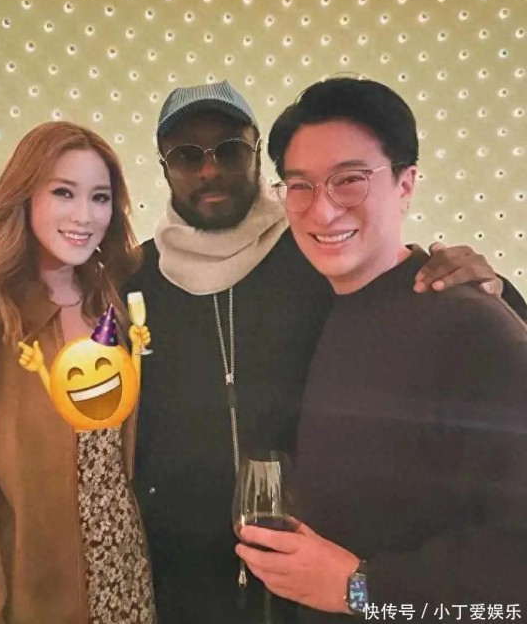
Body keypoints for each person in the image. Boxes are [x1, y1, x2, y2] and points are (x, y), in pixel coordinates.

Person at [126, 80, 526, 624]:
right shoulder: (135, 281)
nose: (324, 211)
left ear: (405, 183)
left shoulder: (454, 318)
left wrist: (359, 589)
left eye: (350, 181)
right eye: (302, 186)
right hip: (196, 583)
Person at [0, 122, 156, 624]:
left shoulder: (109, 307)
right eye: (63, 193)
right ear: (23, 196)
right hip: (32, 599)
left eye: (100, 197)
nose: (84, 216)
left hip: (127, 579)